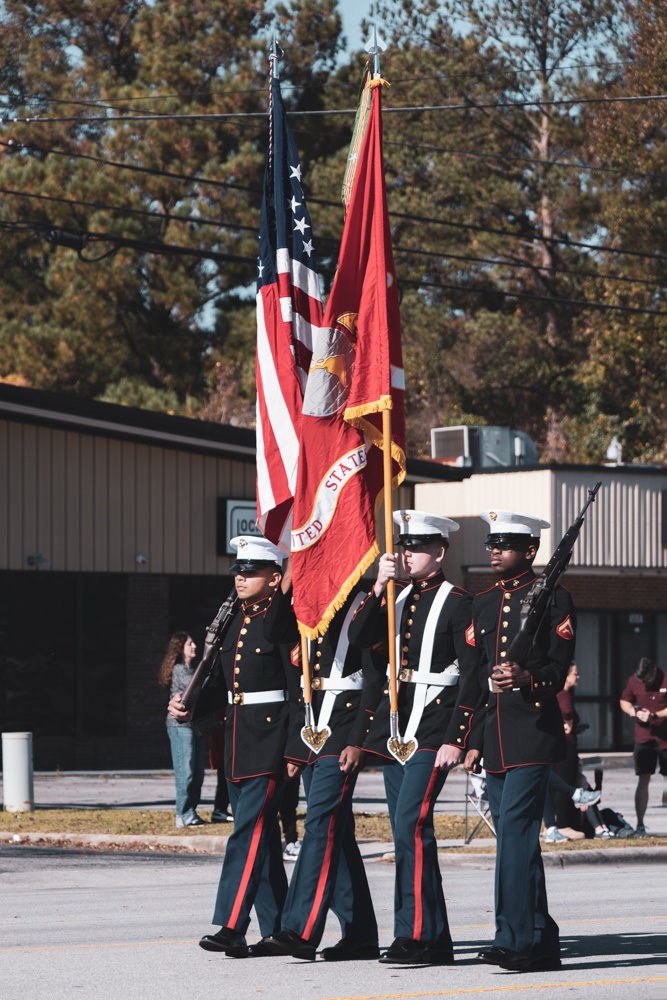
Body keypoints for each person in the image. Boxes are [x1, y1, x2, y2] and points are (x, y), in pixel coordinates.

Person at [348, 509, 479, 966]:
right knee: (408, 834)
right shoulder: (395, 597)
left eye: (417, 547)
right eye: (403, 547)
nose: (407, 555)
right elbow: (358, 639)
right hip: (397, 730)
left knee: (410, 826)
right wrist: (375, 585)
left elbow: (472, 676)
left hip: (434, 729)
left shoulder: (460, 601)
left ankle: (416, 936)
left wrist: (457, 737)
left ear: (439, 552)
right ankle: (434, 938)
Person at [168, 535, 300, 958]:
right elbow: (223, 685)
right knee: (258, 839)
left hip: (270, 738)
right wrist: (190, 709)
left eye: (251, 571)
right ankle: (278, 929)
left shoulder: (283, 622)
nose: (241, 578)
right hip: (238, 739)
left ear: (275, 578)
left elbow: (299, 691)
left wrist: (295, 747)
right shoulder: (233, 621)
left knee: (248, 833)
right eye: (238, 571)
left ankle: (231, 925)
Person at [464, 508, 576, 973]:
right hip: (494, 736)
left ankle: (514, 938)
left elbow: (559, 668)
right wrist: (468, 737)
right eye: (492, 545)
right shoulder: (483, 602)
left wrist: (527, 676)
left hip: (532, 733)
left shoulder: (555, 598)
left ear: (530, 551)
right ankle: (541, 939)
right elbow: (472, 678)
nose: (494, 552)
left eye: (504, 546)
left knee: (515, 834)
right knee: (517, 840)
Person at [254, 588, 384, 962]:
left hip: (345, 728)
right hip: (314, 729)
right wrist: (289, 580)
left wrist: (360, 739)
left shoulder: (365, 602)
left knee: (320, 824)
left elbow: (375, 680)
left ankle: (300, 929)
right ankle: (360, 935)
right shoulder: (307, 604)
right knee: (337, 834)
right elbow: (276, 632)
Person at [158, 631, 207, 828]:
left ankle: (191, 811)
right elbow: (197, 686)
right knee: (185, 770)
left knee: (197, 772)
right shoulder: (180, 670)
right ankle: (183, 814)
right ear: (180, 649)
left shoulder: (192, 669)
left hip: (194, 725)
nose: (194, 646)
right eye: (190, 644)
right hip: (180, 727)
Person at [620, 657, 667, 837]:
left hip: (664, 738)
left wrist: (654, 715)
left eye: (646, 680)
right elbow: (624, 700)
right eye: (641, 681)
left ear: (654, 671)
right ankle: (640, 824)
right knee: (643, 779)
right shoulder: (633, 681)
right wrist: (632, 711)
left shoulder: (665, 679)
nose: (644, 683)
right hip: (644, 738)